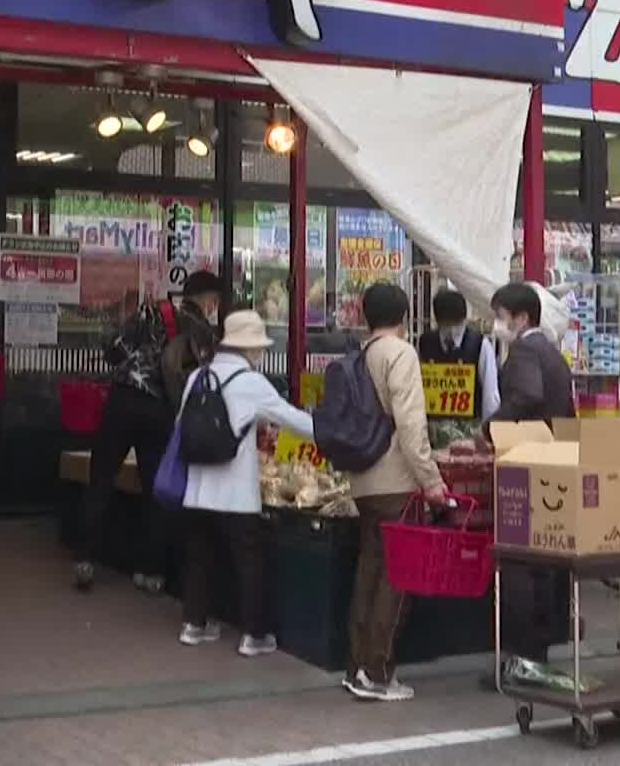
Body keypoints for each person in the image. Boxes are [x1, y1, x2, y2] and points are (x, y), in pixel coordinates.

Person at [176, 310, 318, 657]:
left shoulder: (197, 376)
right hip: (236, 493)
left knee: (199, 556)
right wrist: (337, 433)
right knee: (249, 561)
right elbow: (295, 421)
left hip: (196, 488)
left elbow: (182, 423)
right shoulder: (251, 383)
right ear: (251, 350)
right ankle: (254, 635)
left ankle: (194, 626)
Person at [74, 270, 223, 593]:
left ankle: (84, 558)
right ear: (209, 299)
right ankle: (150, 571)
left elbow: (113, 347)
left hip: (123, 400)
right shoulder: (205, 334)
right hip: (161, 412)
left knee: (101, 478)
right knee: (156, 489)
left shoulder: (154, 309)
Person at [343, 282, 447, 703]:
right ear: (404, 315)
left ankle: (357, 667)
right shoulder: (401, 354)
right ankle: (378, 672)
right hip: (395, 484)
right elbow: (410, 425)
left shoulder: (362, 354)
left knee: (367, 575)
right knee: (395, 579)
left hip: (363, 482)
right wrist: (431, 480)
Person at [484, 281, 577, 690]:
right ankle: (537, 656)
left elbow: (525, 395)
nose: (497, 324)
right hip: (556, 466)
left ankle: (523, 660)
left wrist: (489, 429)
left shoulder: (525, 350)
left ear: (521, 318)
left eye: (501, 316)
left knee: (522, 566)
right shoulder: (552, 351)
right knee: (545, 564)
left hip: (530, 466)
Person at [416, 290, 499, 419]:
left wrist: (487, 429)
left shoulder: (480, 344)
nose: (452, 330)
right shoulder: (425, 342)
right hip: (433, 424)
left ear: (464, 319)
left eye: (457, 324)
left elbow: (490, 393)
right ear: (438, 321)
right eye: (447, 324)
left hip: (469, 427)